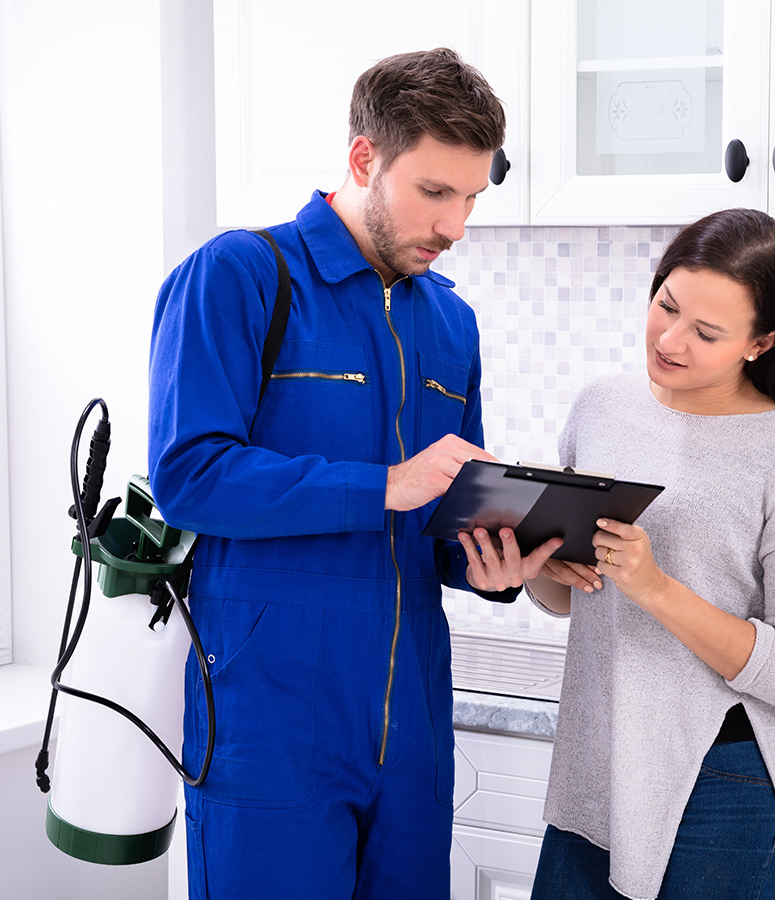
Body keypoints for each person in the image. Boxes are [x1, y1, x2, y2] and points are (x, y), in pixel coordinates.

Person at [147, 48, 560, 900]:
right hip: (270, 719)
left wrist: (496, 563)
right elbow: (191, 475)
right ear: (364, 159)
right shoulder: (241, 274)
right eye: (435, 192)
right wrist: (383, 484)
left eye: (473, 196)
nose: (454, 227)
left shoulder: (451, 321)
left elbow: (442, 522)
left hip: (411, 726)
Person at [522, 208, 775, 900]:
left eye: (705, 332)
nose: (670, 339)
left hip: (720, 782)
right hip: (596, 762)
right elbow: (567, 599)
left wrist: (656, 587)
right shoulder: (600, 408)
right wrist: (542, 569)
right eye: (665, 305)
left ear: (762, 343)